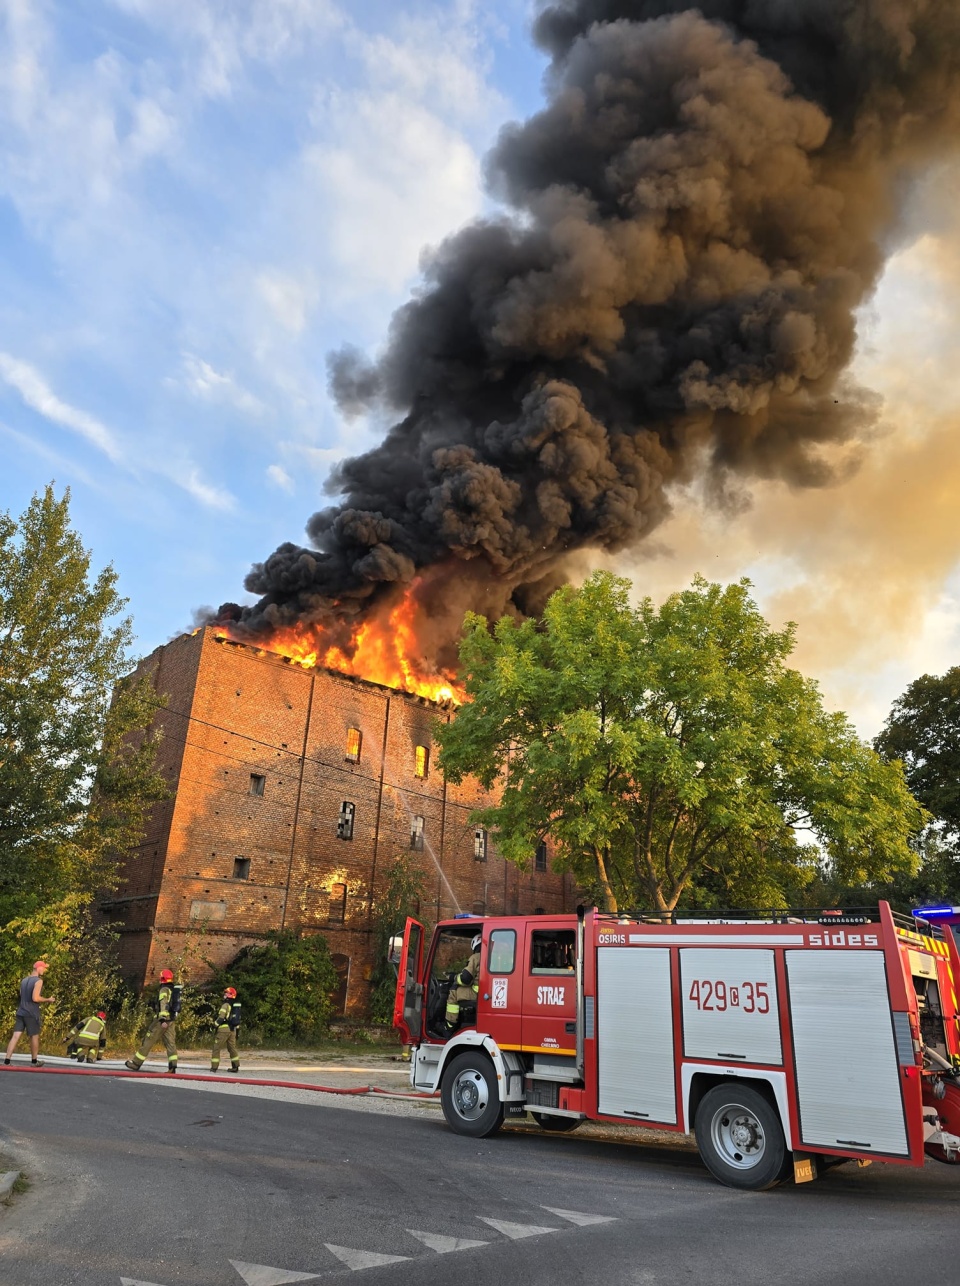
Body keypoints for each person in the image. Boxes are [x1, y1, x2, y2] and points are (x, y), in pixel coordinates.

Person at [125, 968, 180, 1073]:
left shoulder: (164, 990)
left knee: (148, 1040)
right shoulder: (173, 989)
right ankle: (172, 1067)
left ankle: (136, 1063)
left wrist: (162, 1019)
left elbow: (163, 1004)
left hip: (162, 1021)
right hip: (171, 1021)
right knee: (171, 1044)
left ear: (162, 978)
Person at [4, 961, 55, 1067]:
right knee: (34, 1036)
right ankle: (34, 1061)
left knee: (15, 1036)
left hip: (21, 1011)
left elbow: (22, 995)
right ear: (38, 968)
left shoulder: (24, 980)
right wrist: (48, 999)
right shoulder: (38, 981)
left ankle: (7, 1061)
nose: (44, 970)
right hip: (31, 1013)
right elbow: (35, 998)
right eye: (43, 968)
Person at [445, 934, 482, 1035]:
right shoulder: (493, 956)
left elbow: (465, 979)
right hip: (487, 993)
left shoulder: (476, 957)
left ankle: (450, 1026)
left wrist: (453, 978)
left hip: (477, 993)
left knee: (454, 990)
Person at [210, 986, 241, 1074]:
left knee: (216, 1048)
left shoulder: (225, 1005)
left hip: (224, 1030)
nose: (224, 994)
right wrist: (237, 1032)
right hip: (233, 1030)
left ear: (230, 995)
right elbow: (237, 1020)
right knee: (232, 1048)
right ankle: (235, 1066)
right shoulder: (236, 1006)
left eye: (226, 993)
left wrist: (214, 1025)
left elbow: (221, 1018)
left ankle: (214, 1067)